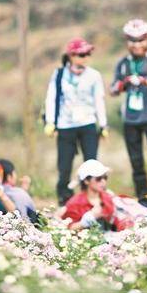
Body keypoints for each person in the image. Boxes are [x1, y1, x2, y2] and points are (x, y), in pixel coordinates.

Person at [110, 19, 147, 199]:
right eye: (132, 41)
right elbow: (113, 89)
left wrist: (145, 81)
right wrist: (124, 83)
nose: (137, 45)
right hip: (130, 119)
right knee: (136, 162)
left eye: (141, 40)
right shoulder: (123, 63)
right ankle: (143, 198)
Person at [44, 37, 108, 205]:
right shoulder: (59, 75)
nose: (85, 58)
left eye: (87, 54)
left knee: (92, 164)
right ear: (71, 56)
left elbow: (99, 100)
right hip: (66, 125)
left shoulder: (94, 75)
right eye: (81, 54)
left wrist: (103, 124)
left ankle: (92, 197)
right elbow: (51, 98)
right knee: (64, 166)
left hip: (87, 124)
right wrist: (50, 122)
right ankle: (64, 199)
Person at [62, 159, 130, 231]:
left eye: (105, 177)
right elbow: (69, 228)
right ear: (86, 181)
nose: (103, 181)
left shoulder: (107, 197)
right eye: (98, 179)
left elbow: (115, 221)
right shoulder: (75, 203)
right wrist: (84, 222)